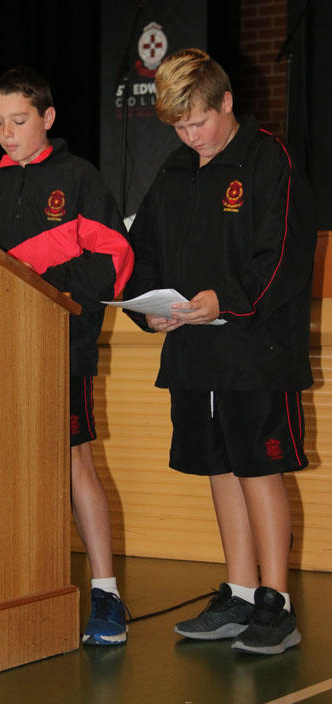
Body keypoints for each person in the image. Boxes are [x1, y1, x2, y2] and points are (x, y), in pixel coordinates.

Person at [123, 48, 316, 655]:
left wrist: (224, 300)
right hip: (193, 354)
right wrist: (146, 309)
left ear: (227, 102)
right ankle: (239, 592)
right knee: (220, 467)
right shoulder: (174, 171)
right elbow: (142, 252)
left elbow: (283, 258)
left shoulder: (268, 159)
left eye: (199, 122)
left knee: (258, 469)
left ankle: (277, 604)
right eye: (179, 127)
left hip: (255, 352)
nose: (191, 137)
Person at [0, 66, 135, 646]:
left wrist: (46, 282)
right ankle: (17, 586)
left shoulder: (78, 178)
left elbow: (112, 259)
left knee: (73, 461)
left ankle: (106, 593)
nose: (7, 134)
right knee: (4, 466)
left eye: (19, 121)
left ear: (48, 118)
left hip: (62, 345)